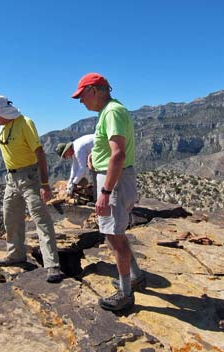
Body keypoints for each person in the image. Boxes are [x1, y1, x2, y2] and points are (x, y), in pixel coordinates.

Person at [71, 73, 146, 311]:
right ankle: (135, 276)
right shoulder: (111, 111)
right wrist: (96, 156)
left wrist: (104, 191)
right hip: (117, 178)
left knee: (114, 237)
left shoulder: (112, 112)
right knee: (117, 233)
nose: (81, 101)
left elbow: (118, 154)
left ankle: (125, 293)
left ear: (94, 90)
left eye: (82, 96)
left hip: (114, 182)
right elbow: (110, 149)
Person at [0, 94, 62, 283]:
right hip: (11, 178)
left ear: (1, 111)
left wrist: (44, 184)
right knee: (11, 217)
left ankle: (52, 265)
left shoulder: (25, 123)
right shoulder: (4, 127)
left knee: (41, 219)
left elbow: (40, 153)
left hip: (30, 178)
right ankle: (16, 254)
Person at [55, 134, 97, 200]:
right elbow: (74, 167)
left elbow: (82, 169)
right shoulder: (74, 147)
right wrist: (70, 181)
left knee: (97, 176)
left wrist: (74, 183)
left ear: (66, 150)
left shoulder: (78, 149)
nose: (66, 158)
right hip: (100, 152)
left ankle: (99, 199)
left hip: (106, 149)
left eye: (64, 156)